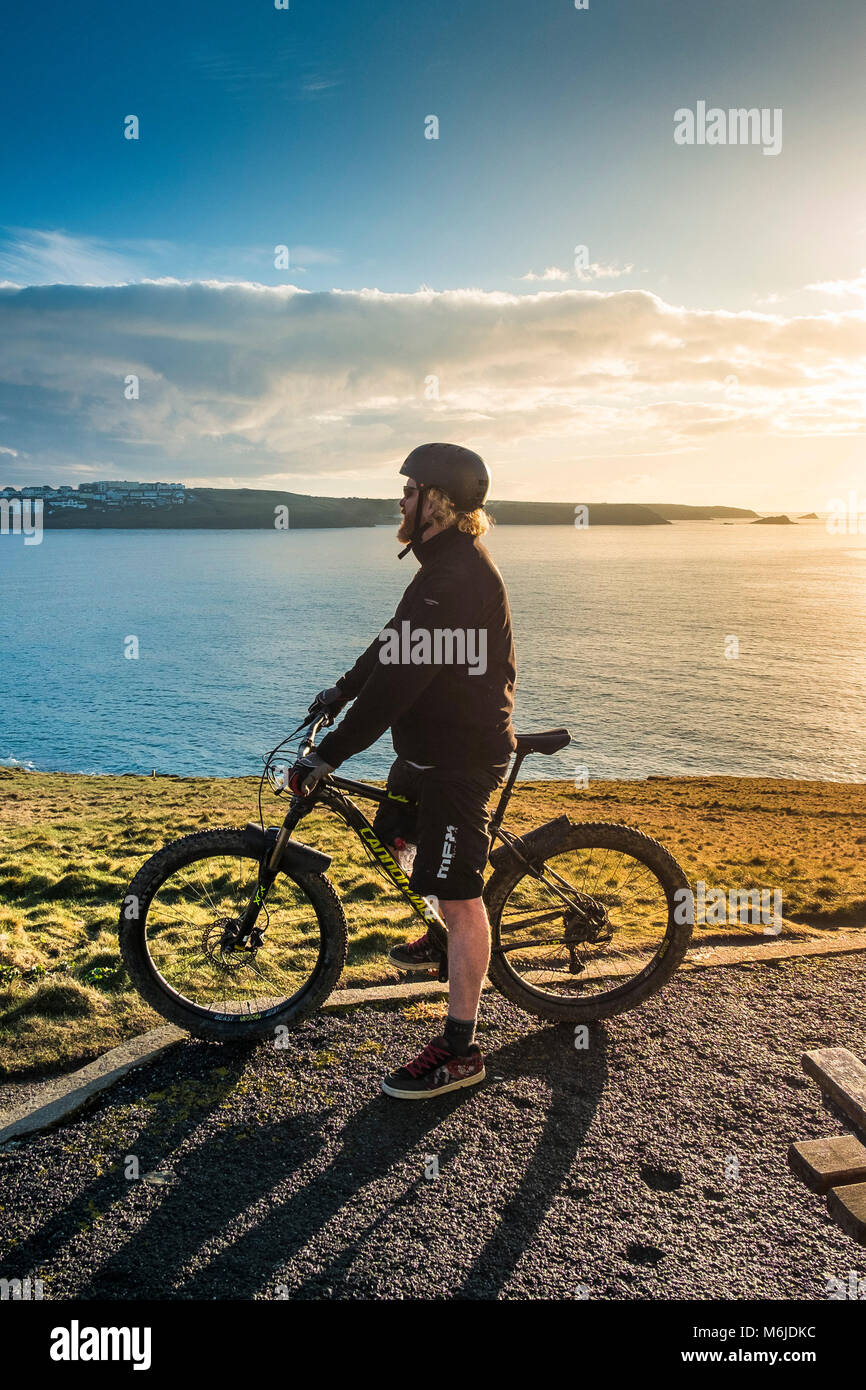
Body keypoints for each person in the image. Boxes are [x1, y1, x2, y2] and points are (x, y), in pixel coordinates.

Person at [288, 442, 517, 1099]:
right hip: (423, 753)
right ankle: (442, 933)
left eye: (410, 489)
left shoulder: (457, 577)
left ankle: (460, 1049)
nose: (401, 499)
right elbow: (395, 640)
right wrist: (341, 688)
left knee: (458, 892)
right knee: (392, 842)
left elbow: (400, 686)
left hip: (460, 761)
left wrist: (329, 754)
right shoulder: (437, 567)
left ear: (439, 502)